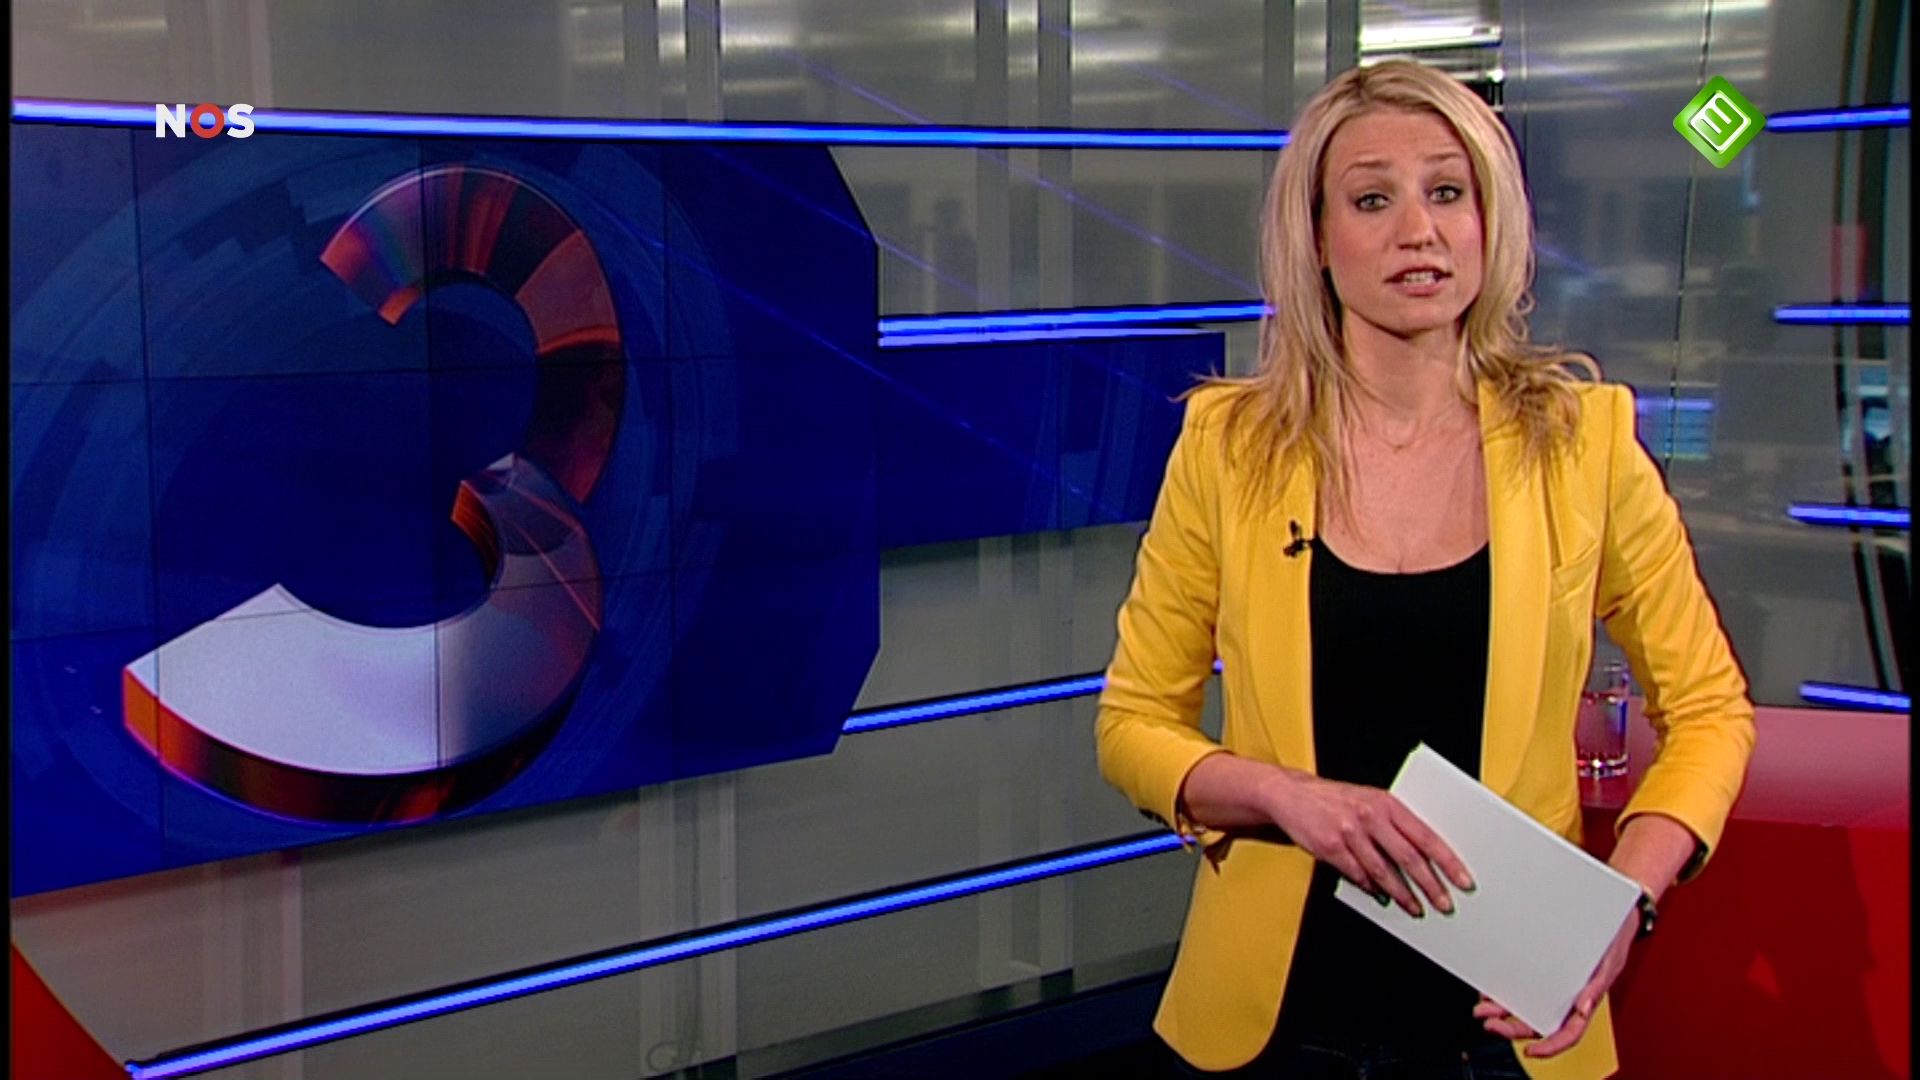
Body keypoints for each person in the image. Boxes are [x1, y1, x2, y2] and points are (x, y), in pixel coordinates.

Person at [1095, 59, 1755, 1079]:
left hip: (1509, 1029)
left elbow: (1709, 710)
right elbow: (1134, 723)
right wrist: (1286, 796)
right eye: (1373, 199)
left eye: (1448, 191)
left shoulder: (1584, 443)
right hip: (1276, 1029)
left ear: (1491, 220)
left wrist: (1623, 901)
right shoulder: (1229, 447)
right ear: (1317, 238)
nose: (1420, 230)